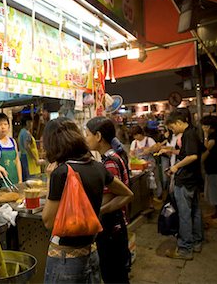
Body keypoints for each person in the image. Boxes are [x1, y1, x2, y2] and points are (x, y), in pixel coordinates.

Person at [42, 117, 133, 284]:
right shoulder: (98, 166)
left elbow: (48, 221)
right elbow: (127, 194)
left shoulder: (61, 172)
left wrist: (50, 180)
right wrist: (97, 211)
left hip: (65, 258)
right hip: (91, 252)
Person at [86, 117, 133, 284]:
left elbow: (110, 196)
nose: (86, 139)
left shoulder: (109, 162)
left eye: (88, 134)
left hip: (112, 228)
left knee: (113, 275)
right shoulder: (113, 156)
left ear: (98, 136)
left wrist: (94, 209)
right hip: (117, 227)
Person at [163, 110, 204, 260]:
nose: (172, 131)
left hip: (186, 180)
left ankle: (185, 249)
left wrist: (176, 167)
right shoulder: (192, 133)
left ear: (179, 123)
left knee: (185, 214)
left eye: (173, 128)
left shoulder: (188, 134)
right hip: (193, 179)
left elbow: (192, 155)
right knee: (195, 211)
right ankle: (197, 242)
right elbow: (188, 152)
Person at [201, 115, 217, 227]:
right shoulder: (216, 136)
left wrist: (205, 135)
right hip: (213, 169)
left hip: (216, 170)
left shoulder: (213, 138)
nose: (202, 127)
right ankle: (216, 213)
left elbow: (205, 149)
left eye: (204, 125)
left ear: (209, 126)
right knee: (213, 193)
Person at [129, 125, 162, 204]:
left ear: (140, 133)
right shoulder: (134, 143)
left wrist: (149, 149)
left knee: (155, 180)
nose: (135, 137)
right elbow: (131, 152)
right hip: (140, 166)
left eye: (136, 135)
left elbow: (157, 148)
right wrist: (132, 156)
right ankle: (148, 200)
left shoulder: (149, 140)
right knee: (145, 183)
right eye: (134, 136)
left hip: (150, 164)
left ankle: (158, 196)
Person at [18, 116, 41, 181]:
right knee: (31, 179)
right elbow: (27, 147)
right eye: (30, 122)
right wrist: (35, 159)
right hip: (28, 159)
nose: (31, 123)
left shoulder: (21, 132)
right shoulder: (26, 133)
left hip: (24, 157)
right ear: (27, 122)